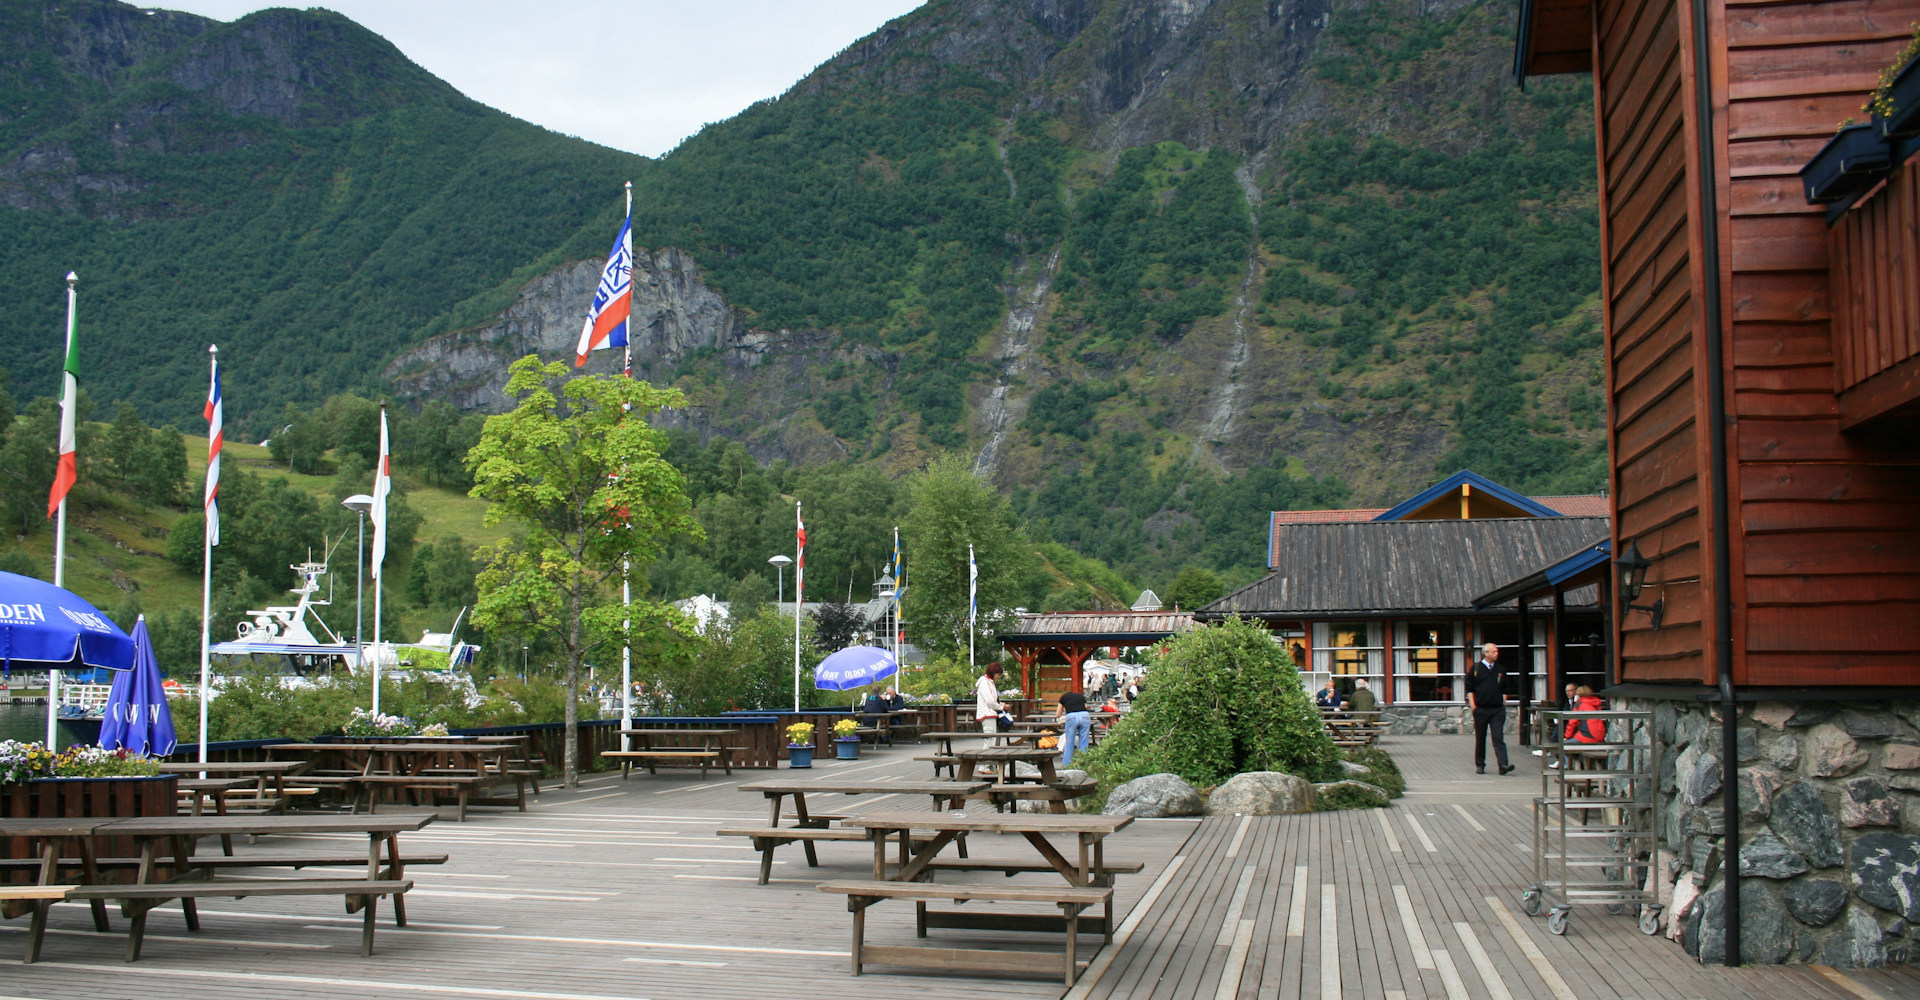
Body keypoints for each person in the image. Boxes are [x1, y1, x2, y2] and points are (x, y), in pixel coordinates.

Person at [1466, 642, 1514, 774]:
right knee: (1480, 737)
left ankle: (1503, 765)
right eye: (1493, 651)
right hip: (1481, 709)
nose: (1496, 654)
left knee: (1498, 737)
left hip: (1497, 709)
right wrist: (1473, 706)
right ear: (1486, 653)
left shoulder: (1500, 669)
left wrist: (1503, 701)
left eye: (1497, 651)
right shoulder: (1476, 668)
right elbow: (1469, 688)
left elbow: (1506, 688)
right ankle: (1480, 764)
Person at [974, 664, 1007, 769]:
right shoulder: (985, 683)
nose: (998, 676)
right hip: (987, 714)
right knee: (990, 740)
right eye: (998, 674)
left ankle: (990, 766)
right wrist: (1001, 707)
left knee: (993, 740)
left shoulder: (989, 683)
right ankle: (984, 766)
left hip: (990, 714)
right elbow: (990, 701)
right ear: (994, 673)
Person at [1056, 688, 1092, 767]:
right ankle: (1083, 764)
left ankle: (1067, 765)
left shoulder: (1063, 698)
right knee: (1084, 742)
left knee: (1069, 742)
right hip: (1084, 715)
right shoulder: (1080, 696)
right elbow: (1085, 706)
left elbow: (1058, 714)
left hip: (1071, 716)